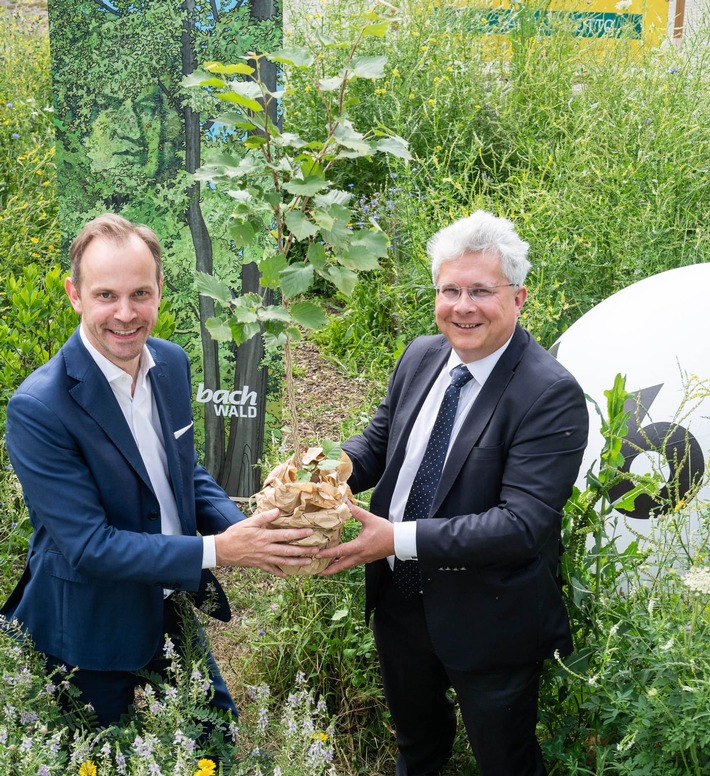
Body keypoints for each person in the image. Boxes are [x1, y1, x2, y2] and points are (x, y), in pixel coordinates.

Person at [1, 213, 318, 730]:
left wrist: (238, 526)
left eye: (140, 294)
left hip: (167, 602)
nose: (125, 314)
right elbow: (89, 547)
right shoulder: (39, 407)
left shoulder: (170, 363)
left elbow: (182, 472)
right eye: (106, 295)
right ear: (74, 294)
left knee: (217, 740)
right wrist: (220, 551)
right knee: (107, 756)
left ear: (159, 290)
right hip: (90, 627)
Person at [317, 210, 589, 776]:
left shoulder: (549, 393)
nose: (462, 306)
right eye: (450, 290)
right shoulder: (422, 355)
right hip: (399, 602)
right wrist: (323, 470)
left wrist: (396, 538)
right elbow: (381, 441)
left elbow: (522, 525)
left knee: (504, 763)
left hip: (490, 617)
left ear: (518, 299)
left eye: (481, 291)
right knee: (417, 749)